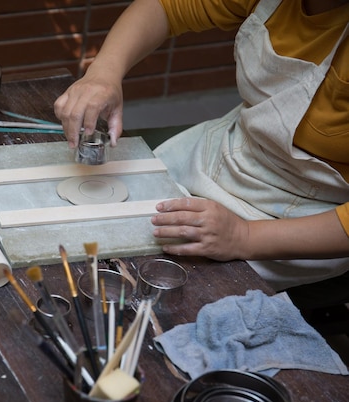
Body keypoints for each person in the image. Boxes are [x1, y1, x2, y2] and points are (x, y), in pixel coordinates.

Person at [54, 0, 349, 291]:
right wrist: (103, 74)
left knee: (161, 280)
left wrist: (243, 237)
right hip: (232, 148)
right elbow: (166, 8)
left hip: (305, 219)